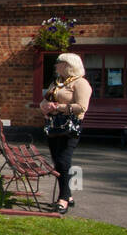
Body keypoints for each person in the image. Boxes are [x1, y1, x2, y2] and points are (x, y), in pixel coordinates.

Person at [38, 52, 92, 214]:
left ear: (68, 65)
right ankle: (68, 196)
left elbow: (81, 107)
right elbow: (45, 99)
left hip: (69, 128)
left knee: (64, 161)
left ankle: (63, 198)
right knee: (57, 161)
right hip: (54, 126)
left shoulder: (80, 83)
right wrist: (45, 107)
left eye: (58, 62)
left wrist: (59, 107)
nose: (55, 65)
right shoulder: (57, 82)